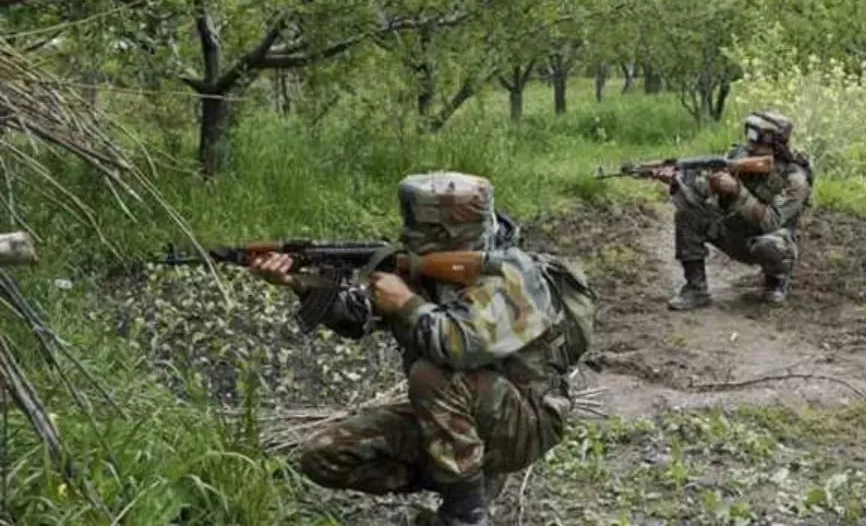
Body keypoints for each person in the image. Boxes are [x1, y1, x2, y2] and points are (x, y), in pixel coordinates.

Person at [248, 172, 594, 525]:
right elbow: (357, 317)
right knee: (323, 454)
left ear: (444, 232)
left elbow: (457, 346)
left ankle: (465, 513)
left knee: (431, 375)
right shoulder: (423, 266)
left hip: (524, 426)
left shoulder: (514, 276)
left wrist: (407, 303)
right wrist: (301, 283)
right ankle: (464, 476)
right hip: (461, 418)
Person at [652, 110, 813, 310]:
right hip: (733, 233)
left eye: (758, 139)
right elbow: (701, 194)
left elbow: (772, 221)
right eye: (750, 137)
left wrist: (737, 191)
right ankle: (696, 288)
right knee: (688, 214)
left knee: (772, 245)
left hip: (767, 241)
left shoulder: (794, 178)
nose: (751, 144)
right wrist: (676, 181)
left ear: (775, 143)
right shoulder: (738, 157)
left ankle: (775, 282)